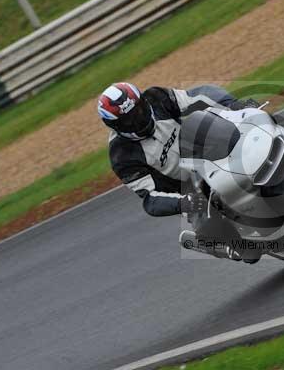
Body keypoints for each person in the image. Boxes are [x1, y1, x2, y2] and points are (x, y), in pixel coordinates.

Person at [97, 82, 258, 261]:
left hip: (203, 151)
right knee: (224, 236)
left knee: (246, 139)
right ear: (117, 127)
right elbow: (150, 199)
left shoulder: (157, 98)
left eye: (140, 110)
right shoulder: (122, 156)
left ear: (143, 101)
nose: (140, 118)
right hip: (185, 189)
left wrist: (233, 105)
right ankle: (231, 247)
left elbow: (199, 96)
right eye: (130, 120)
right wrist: (183, 203)